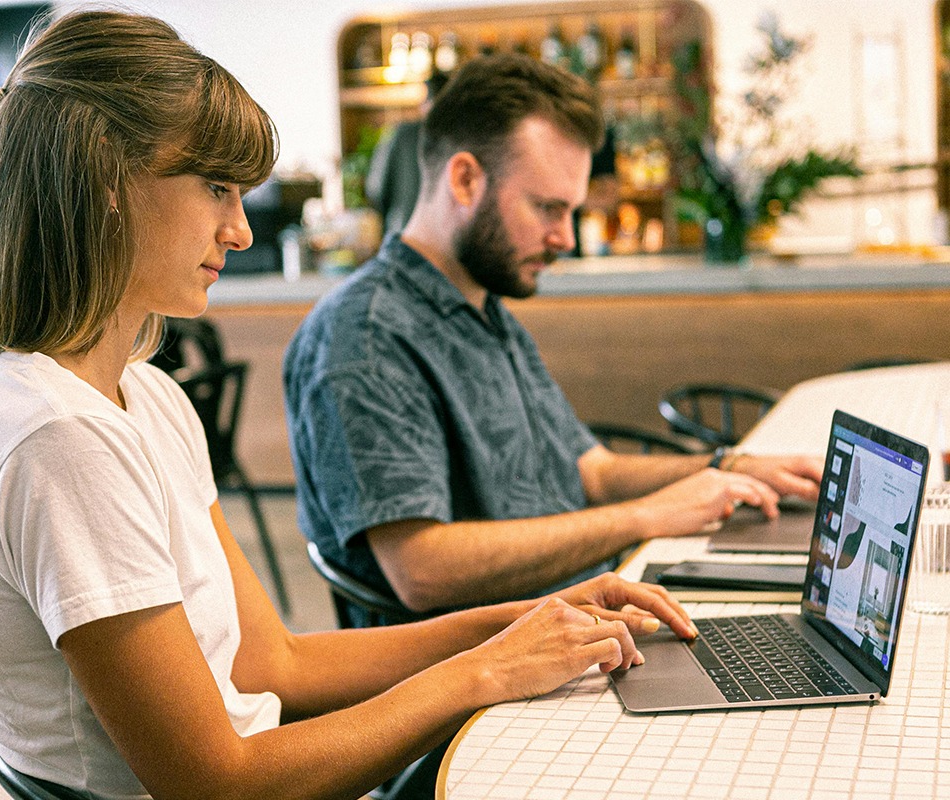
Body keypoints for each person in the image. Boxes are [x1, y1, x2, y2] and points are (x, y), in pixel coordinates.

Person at [0, 11, 698, 800]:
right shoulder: (57, 439)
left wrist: (531, 617)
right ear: (104, 179)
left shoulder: (145, 394)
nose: (239, 230)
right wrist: (484, 671)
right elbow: (217, 783)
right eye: (216, 189)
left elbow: (274, 663)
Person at [284, 53, 823, 626]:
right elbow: (421, 569)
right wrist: (644, 517)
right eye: (546, 207)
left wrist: (728, 467)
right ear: (464, 178)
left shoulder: (483, 307)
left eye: (570, 210)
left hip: (577, 617)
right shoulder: (365, 337)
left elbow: (590, 471)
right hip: (478, 675)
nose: (565, 237)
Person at [364, 72, 450, 236]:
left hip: (403, 234)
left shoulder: (402, 134)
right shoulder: (461, 137)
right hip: (446, 242)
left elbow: (376, 187)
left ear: (424, 103)